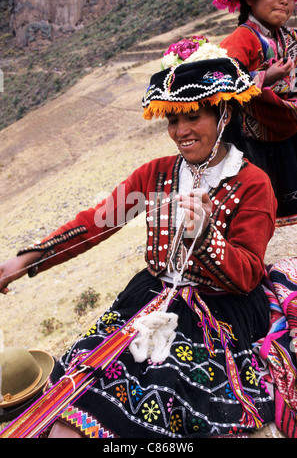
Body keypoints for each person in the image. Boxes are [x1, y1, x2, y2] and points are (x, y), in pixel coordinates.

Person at [0, 38, 277, 438]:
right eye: (171, 120)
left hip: (218, 310)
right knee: (80, 386)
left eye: (192, 117)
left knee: (162, 391)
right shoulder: (157, 174)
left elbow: (248, 273)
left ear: (224, 115)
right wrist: (25, 262)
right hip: (149, 296)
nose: (179, 131)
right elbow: (97, 222)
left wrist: (205, 240)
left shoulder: (253, 183)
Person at [213, 0, 297, 226]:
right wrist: (264, 78)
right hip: (250, 140)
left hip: (287, 130)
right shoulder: (240, 39)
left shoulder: (290, 37)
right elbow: (221, 83)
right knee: (260, 203)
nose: (284, 0)